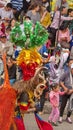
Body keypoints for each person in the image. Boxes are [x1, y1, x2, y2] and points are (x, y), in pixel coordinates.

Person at [59, 59, 73, 123]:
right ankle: (60, 117)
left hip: (72, 92)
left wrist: (72, 90)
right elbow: (60, 81)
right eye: (70, 63)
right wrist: (64, 88)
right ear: (68, 65)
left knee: (71, 105)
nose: (71, 64)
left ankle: (68, 117)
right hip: (65, 91)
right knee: (63, 105)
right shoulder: (66, 73)